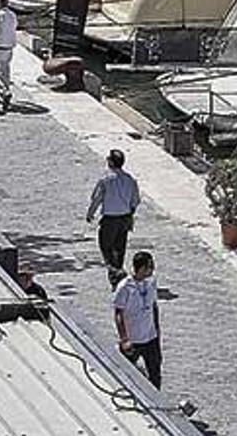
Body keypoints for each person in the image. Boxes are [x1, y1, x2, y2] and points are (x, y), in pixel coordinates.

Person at [87, 149, 141, 290]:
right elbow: (135, 200)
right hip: (125, 218)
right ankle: (118, 271)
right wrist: (130, 212)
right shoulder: (130, 179)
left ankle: (114, 272)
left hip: (110, 219)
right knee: (120, 247)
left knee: (106, 247)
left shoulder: (105, 180)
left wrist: (90, 213)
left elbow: (97, 198)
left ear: (111, 162)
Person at [113, 251, 161, 388]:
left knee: (155, 373)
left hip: (150, 338)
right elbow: (118, 313)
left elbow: (153, 306)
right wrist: (124, 339)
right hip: (133, 339)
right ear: (141, 268)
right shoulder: (125, 287)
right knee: (126, 374)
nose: (152, 269)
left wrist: (157, 330)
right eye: (150, 266)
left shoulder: (151, 282)